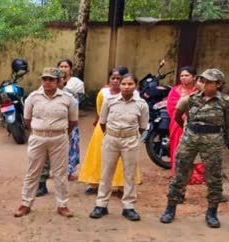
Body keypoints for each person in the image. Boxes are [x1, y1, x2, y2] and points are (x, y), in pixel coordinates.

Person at [159, 69, 229, 228]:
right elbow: (178, 116)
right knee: (180, 173)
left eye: (209, 82)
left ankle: (212, 212)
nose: (205, 84)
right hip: (190, 138)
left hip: (213, 140)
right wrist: (189, 131)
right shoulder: (191, 99)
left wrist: (226, 140)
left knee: (214, 177)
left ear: (218, 84)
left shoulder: (226, 102)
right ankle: (170, 208)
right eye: (203, 81)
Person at [14, 67, 78, 218]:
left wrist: (59, 133)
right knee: (32, 172)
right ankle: (25, 203)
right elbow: (27, 119)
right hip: (38, 138)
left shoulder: (68, 99)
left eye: (51, 80)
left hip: (59, 138)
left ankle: (62, 205)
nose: (47, 82)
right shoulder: (33, 97)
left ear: (58, 81)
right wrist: (40, 131)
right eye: (44, 79)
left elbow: (73, 122)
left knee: (60, 173)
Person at [89, 73, 149, 221]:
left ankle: (129, 207)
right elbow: (102, 122)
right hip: (111, 139)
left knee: (129, 174)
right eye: (124, 84)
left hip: (130, 140)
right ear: (119, 85)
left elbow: (142, 126)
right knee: (106, 172)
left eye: (130, 84)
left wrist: (129, 136)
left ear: (136, 86)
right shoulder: (109, 101)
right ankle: (101, 204)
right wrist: (113, 135)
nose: (126, 87)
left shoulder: (141, 104)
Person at [78, 67, 141, 195]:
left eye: (119, 79)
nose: (116, 81)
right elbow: (100, 110)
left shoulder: (135, 95)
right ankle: (94, 183)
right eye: (113, 78)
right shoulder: (104, 93)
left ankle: (122, 186)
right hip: (103, 129)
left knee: (124, 158)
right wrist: (101, 125)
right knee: (98, 156)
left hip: (126, 130)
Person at [167, 66, 204, 184]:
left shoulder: (199, 92)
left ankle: (195, 173)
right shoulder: (175, 90)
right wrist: (182, 117)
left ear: (194, 77)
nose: (183, 78)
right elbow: (171, 107)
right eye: (182, 76)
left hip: (195, 124)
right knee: (178, 148)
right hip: (178, 125)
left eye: (187, 75)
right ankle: (177, 173)